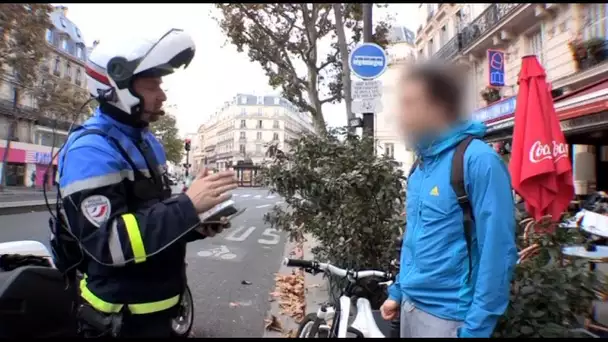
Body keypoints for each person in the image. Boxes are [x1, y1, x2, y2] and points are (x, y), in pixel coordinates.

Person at [53, 29, 237, 338]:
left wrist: (196, 224)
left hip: (162, 312)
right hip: (119, 321)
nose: (162, 95)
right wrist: (187, 206)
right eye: (152, 85)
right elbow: (110, 243)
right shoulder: (91, 150)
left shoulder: (148, 142)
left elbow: (149, 219)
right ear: (117, 87)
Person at [380, 62, 518, 338]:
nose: (400, 113)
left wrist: (475, 330)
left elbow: (498, 252)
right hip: (409, 308)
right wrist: (398, 290)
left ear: (439, 106)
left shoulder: (479, 161)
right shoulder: (420, 166)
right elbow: (414, 239)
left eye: (410, 103)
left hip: (450, 318)